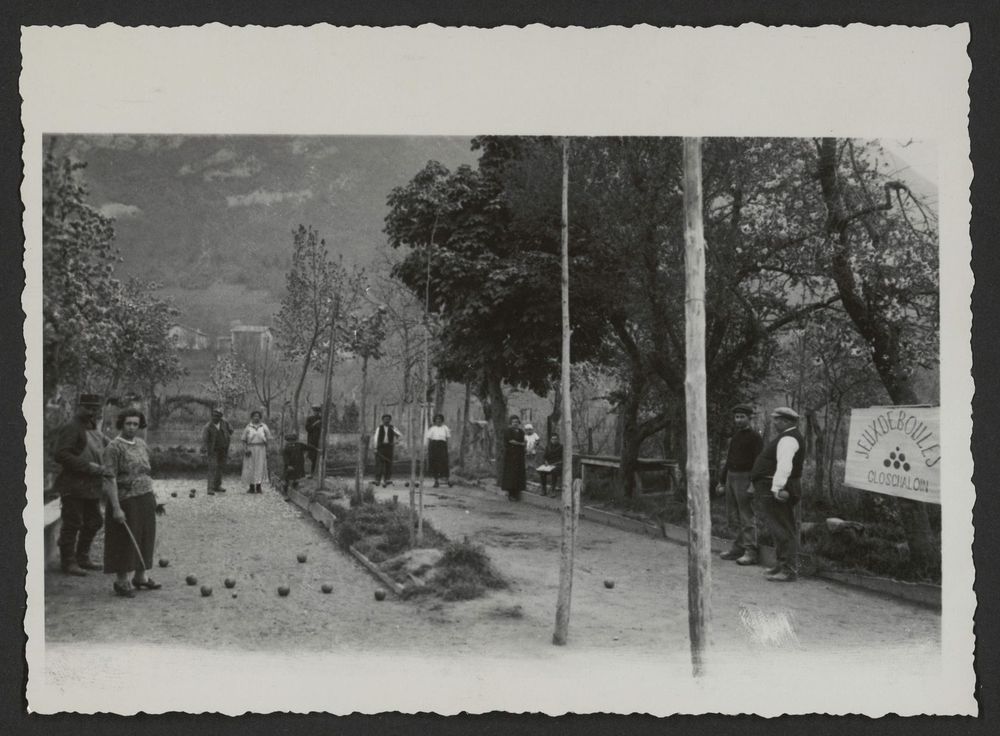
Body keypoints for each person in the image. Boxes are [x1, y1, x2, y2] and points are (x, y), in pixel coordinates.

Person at [102, 408, 166, 598]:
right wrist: (116, 508)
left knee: (146, 536)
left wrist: (155, 497)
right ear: (121, 423)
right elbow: (109, 478)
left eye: (135, 424)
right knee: (124, 539)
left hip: (145, 497)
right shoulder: (114, 447)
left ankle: (141, 576)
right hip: (126, 499)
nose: (131, 427)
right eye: (128, 423)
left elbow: (146, 471)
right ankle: (122, 580)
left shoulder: (141, 443)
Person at [52, 393, 112, 576]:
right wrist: (88, 466)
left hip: (92, 485)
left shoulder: (92, 427)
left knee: (94, 521)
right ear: (79, 407)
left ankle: (82, 557)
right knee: (72, 523)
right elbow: (61, 455)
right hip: (74, 485)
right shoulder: (72, 427)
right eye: (88, 408)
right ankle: (68, 562)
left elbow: (102, 446)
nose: (91, 412)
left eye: (95, 408)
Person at [750, 406, 805, 582]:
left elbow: (784, 465)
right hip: (774, 485)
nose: (774, 423)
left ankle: (789, 570)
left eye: (778, 420)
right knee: (778, 528)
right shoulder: (787, 436)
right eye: (775, 419)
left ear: (787, 421)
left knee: (783, 528)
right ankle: (781, 565)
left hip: (778, 487)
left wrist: (777, 488)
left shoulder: (789, 438)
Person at [717, 403, 764, 565]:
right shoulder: (735, 437)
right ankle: (738, 548)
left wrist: (753, 483)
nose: (738, 420)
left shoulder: (755, 437)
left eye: (742, 417)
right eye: (736, 417)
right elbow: (729, 460)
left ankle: (751, 551)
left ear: (749, 418)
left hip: (745, 478)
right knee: (733, 516)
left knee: (746, 515)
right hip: (731, 477)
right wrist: (722, 481)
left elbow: (759, 462)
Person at [203, 407, 233, 496]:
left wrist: (226, 437)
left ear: (221, 417)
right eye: (214, 416)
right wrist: (205, 450)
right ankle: (210, 488)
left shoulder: (225, 423)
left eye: (217, 416)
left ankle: (217, 485)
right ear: (211, 416)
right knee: (212, 468)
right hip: (213, 450)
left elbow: (231, 430)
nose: (215, 418)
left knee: (220, 467)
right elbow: (205, 439)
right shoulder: (208, 426)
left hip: (223, 449)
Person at [241, 410, 272, 493]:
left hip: (261, 449)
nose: (256, 417)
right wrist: (246, 449)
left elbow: (268, 439)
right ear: (252, 417)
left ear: (260, 417)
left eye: (258, 416)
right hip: (250, 449)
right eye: (254, 416)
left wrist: (268, 451)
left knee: (260, 466)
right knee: (250, 467)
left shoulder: (264, 427)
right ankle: (251, 486)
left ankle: (258, 486)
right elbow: (243, 440)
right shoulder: (248, 427)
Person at [371, 414, 402, 487]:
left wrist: (396, 442)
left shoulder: (393, 427)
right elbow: (375, 438)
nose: (387, 420)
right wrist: (375, 448)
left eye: (388, 419)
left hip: (389, 447)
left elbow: (400, 435)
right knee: (379, 464)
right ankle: (377, 480)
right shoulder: (379, 428)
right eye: (385, 419)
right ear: (382, 420)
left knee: (389, 464)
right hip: (380, 447)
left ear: (390, 420)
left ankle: (387, 479)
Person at [501, 415, 527, 501]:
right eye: (513, 422)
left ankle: (517, 492)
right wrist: (521, 444)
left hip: (519, 455)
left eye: (517, 422)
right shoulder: (508, 431)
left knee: (518, 473)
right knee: (511, 474)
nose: (515, 424)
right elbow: (511, 441)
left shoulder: (521, 432)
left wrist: (524, 445)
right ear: (511, 423)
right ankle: (510, 493)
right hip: (511, 455)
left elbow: (524, 441)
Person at [424, 413, 452, 488]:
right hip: (434, 446)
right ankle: (436, 481)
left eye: (440, 419)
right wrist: (427, 449)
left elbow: (447, 439)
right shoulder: (432, 429)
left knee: (444, 462)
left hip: (442, 446)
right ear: (435, 420)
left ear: (442, 420)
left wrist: (448, 448)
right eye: (437, 419)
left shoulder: (445, 428)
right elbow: (429, 439)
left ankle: (447, 480)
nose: (438, 421)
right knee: (435, 463)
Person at [304, 404, 323, 476]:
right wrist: (315, 424)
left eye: (317, 411)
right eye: (315, 411)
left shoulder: (322, 419)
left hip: (319, 440)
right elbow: (307, 429)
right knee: (312, 455)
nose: (316, 413)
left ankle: (316, 472)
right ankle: (311, 472)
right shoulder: (310, 419)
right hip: (311, 439)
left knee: (318, 456)